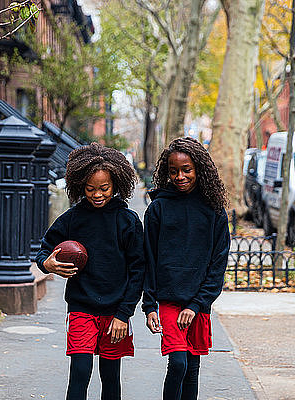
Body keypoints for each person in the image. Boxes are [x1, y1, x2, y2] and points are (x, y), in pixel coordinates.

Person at [35, 143, 144, 400]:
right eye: (90, 188)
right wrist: (47, 264)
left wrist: (123, 314)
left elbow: (138, 270)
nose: (97, 194)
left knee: (110, 375)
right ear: (79, 185)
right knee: (80, 372)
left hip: (115, 312)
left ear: (116, 184)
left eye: (104, 188)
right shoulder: (72, 218)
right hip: (82, 307)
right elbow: (43, 251)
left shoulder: (127, 221)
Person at [142, 137, 230, 400]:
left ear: (198, 169)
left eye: (186, 170)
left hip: (198, 301)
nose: (180, 176)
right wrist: (149, 306)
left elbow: (218, 263)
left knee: (192, 367)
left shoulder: (214, 210)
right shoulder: (158, 208)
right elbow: (148, 259)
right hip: (168, 300)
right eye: (173, 171)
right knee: (178, 362)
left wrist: (198, 304)